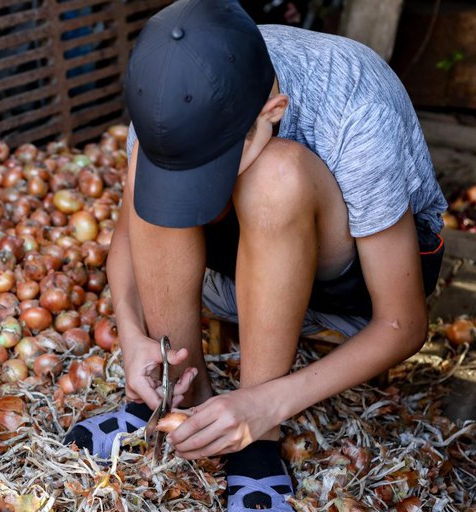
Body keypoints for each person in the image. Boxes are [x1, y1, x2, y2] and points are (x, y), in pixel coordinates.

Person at [63, 0, 448, 510]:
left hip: (348, 280)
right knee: (146, 168)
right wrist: (134, 336)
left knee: (274, 177)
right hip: (236, 269)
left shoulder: (356, 102)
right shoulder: (168, 92)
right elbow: (126, 247)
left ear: (274, 110)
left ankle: (256, 439)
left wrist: (265, 405)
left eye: (210, 173)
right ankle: (179, 395)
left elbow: (403, 324)